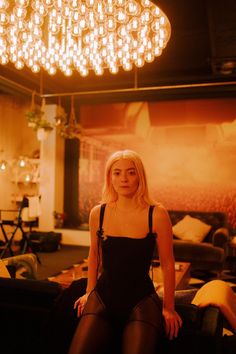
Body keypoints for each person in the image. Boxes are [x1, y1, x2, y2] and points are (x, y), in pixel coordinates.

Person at [68, 149, 182, 354]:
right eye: (117, 173)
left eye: (131, 172)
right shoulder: (98, 213)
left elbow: (167, 264)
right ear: (109, 178)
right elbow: (94, 257)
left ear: (140, 176)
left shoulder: (156, 214)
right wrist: (88, 292)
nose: (124, 179)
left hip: (140, 301)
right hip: (102, 297)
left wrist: (169, 307)